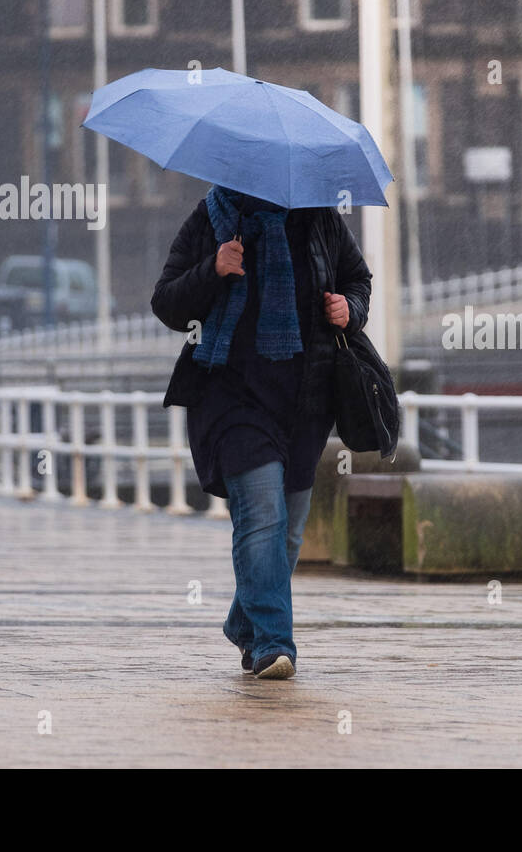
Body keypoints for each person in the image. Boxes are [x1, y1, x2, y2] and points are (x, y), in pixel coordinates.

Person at [151, 185, 372, 679]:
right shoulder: (211, 220)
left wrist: (348, 309)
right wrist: (214, 268)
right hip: (230, 399)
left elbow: (358, 279)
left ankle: (242, 622)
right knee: (263, 517)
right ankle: (274, 644)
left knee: (289, 532)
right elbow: (166, 303)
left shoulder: (319, 219)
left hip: (305, 401)